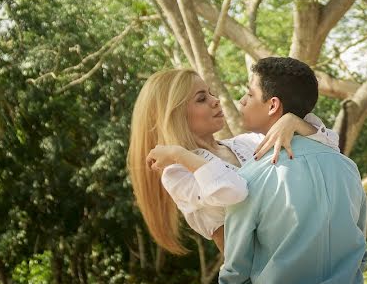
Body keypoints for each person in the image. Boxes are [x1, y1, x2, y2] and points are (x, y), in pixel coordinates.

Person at [126, 68, 340, 255]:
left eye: (211, 93)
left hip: (305, 260)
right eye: (201, 99)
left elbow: (329, 148)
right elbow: (234, 192)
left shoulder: (247, 143)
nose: (215, 100)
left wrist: (292, 122)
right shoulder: (177, 174)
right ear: (175, 115)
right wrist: (179, 154)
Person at [219, 57, 367, 284]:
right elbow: (360, 251)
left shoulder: (251, 177)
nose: (242, 101)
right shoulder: (348, 169)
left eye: (249, 93)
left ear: (272, 105)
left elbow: (235, 277)